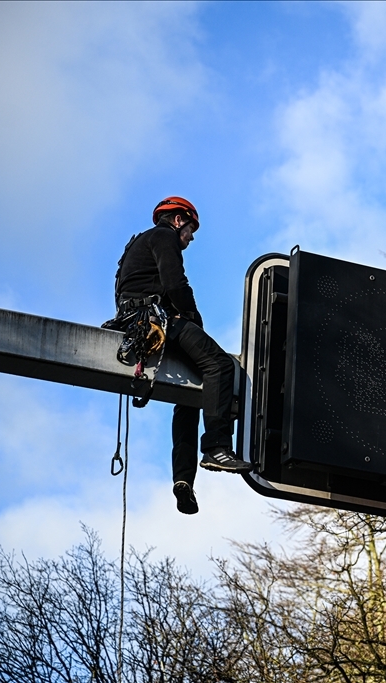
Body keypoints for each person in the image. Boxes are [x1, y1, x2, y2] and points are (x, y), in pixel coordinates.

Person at [112, 196, 252, 515]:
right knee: (219, 365)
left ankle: (183, 480)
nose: (191, 237)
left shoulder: (138, 246)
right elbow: (176, 283)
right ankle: (217, 447)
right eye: (191, 229)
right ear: (178, 220)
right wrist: (193, 317)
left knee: (192, 394)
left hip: (136, 319)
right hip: (151, 320)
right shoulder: (164, 237)